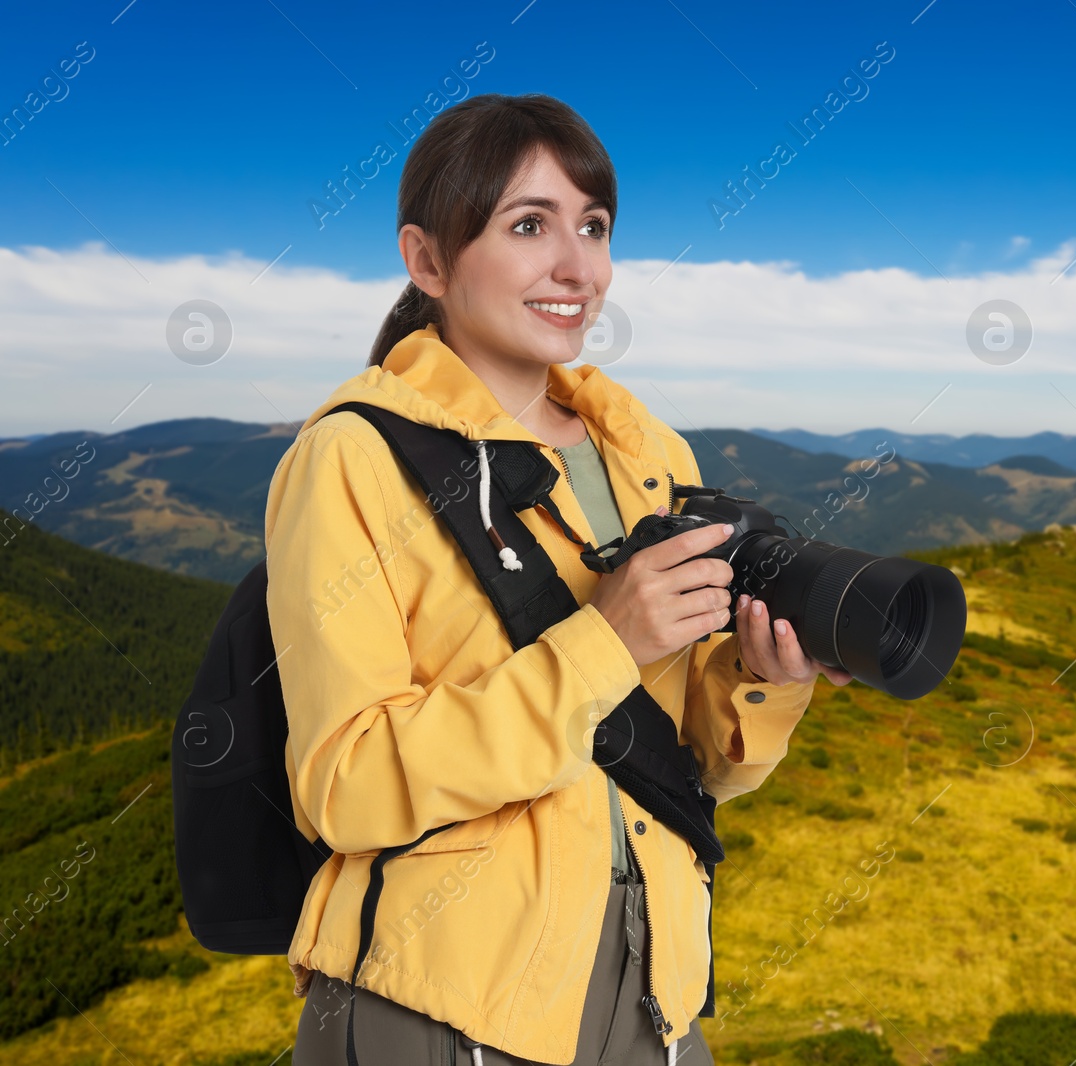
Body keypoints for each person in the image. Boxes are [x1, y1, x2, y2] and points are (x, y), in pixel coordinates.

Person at [268, 92, 851, 1066]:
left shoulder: (647, 454)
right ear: (427, 260)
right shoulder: (353, 458)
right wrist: (604, 642)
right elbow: (345, 783)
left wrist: (761, 679)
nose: (577, 268)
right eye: (528, 225)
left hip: (656, 989)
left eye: (594, 227)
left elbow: (692, 765)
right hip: (443, 1001)